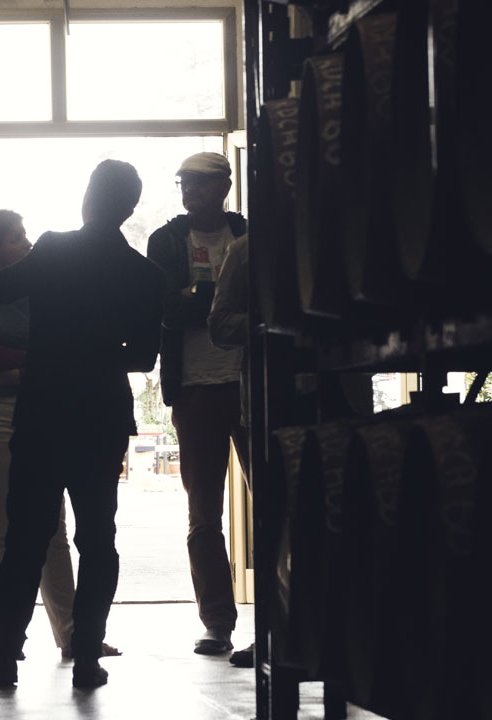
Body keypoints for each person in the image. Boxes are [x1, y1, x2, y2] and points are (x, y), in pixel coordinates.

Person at [0, 159, 164, 689]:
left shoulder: (55, 247)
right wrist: (100, 350)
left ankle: (2, 658)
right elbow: (143, 357)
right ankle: (86, 657)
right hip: (101, 415)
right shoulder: (145, 274)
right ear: (129, 208)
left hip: (42, 411)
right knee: (97, 537)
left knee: (24, 536)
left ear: (88, 197)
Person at [0, 209, 122, 661]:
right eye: (15, 237)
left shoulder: (40, 284)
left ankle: (71, 632)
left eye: (25, 235)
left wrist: (23, 364)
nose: (26, 244)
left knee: (54, 530)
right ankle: (0, 637)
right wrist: (31, 363)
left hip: (39, 412)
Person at [146, 151, 249, 656]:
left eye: (201, 184)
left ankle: (279, 620)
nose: (189, 191)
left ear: (225, 186)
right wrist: (222, 301)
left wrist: (197, 296)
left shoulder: (251, 234)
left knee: (273, 504)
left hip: (252, 382)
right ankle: (218, 624)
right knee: (202, 513)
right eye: (183, 182)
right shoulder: (165, 239)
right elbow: (165, 309)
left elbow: (266, 301)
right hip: (193, 387)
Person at [206, 232, 256, 668]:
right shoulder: (248, 249)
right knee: (277, 515)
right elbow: (218, 323)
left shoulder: (346, 229)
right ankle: (223, 623)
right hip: (264, 396)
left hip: (339, 395)